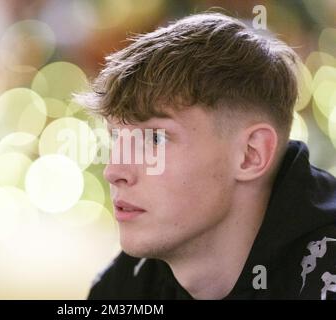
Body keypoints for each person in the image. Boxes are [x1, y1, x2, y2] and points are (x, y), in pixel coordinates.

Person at [74, 12, 336, 299]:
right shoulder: (128, 282)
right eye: (117, 138)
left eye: (155, 138)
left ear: (251, 154)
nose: (113, 171)